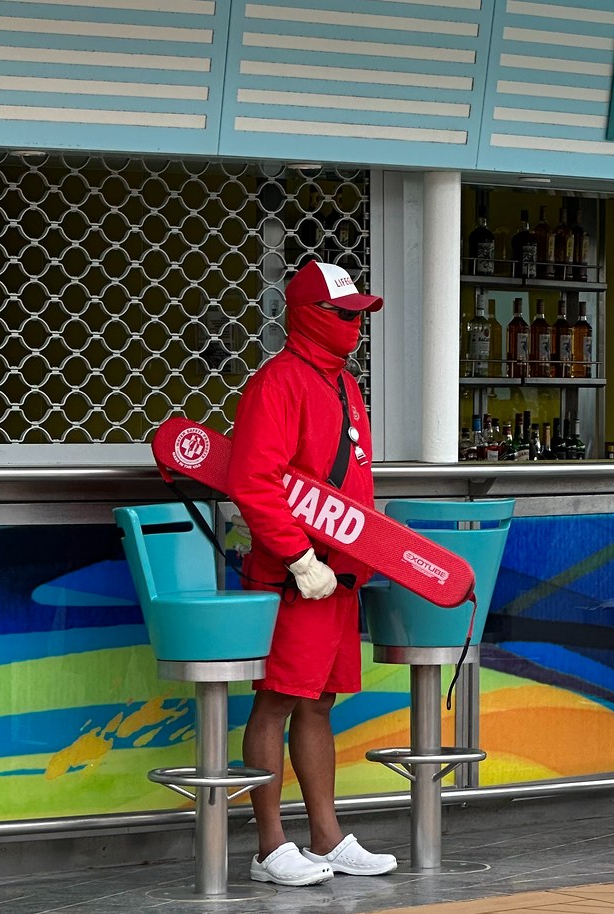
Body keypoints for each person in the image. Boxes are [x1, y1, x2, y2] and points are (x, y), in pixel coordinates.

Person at [227, 260, 397, 887]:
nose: (354, 324)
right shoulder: (278, 383)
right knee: (275, 702)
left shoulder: (344, 384)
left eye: (359, 315)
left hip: (338, 578)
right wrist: (299, 558)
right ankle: (271, 846)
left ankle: (325, 837)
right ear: (307, 314)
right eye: (345, 313)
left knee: (318, 702)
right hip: (292, 574)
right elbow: (253, 480)